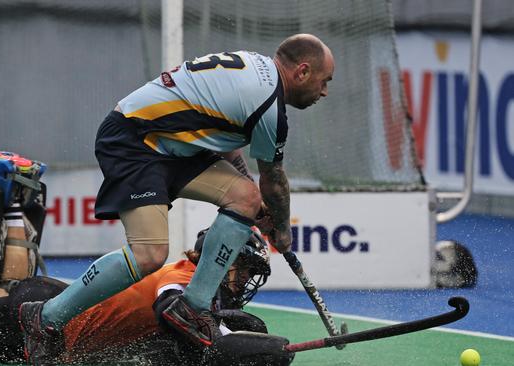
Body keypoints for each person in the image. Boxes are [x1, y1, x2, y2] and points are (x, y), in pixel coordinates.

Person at [19, 33, 335, 362]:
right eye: (325, 81)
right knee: (149, 254)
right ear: (301, 72)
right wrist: (282, 231)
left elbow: (225, 139)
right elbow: (274, 180)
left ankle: (192, 309)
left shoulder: (254, 70)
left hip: (172, 145)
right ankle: (44, 319)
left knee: (245, 197)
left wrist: (256, 204)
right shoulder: (269, 105)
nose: (324, 91)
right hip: (135, 139)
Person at [0, 152, 281, 365]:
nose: (245, 281)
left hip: (46, 306)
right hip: (31, 322)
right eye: (243, 269)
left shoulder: (199, 290)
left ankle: (13, 205)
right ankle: (6, 200)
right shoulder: (186, 281)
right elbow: (171, 306)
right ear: (220, 258)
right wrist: (230, 340)